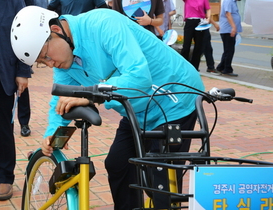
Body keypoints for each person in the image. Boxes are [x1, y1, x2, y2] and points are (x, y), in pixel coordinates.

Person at [11, 6, 205, 209]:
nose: (49, 64)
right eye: (42, 62)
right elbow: (61, 99)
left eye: (45, 56)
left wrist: (91, 94)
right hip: (137, 109)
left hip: (175, 98)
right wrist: (52, 135)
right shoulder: (66, 61)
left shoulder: (103, 24)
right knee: (118, 163)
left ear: (57, 31)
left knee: (158, 174)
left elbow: (139, 76)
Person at [0, 0, 31, 201]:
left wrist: (23, 72)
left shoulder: (13, 1)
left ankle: (5, 178)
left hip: (1, 72)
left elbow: (25, 36)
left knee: (2, 128)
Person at [181, 0, 211, 71]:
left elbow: (208, 8)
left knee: (198, 47)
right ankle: (183, 66)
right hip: (189, 21)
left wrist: (208, 18)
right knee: (186, 46)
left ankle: (195, 67)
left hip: (200, 22)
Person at [216, 0, 242, 77]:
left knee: (228, 50)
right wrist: (233, 27)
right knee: (229, 50)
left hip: (229, 29)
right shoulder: (228, 1)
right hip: (228, 30)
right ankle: (227, 69)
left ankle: (221, 67)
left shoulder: (233, 2)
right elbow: (228, 14)